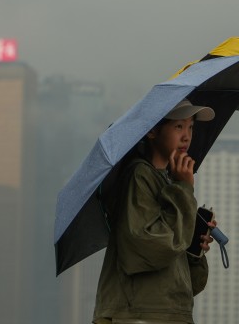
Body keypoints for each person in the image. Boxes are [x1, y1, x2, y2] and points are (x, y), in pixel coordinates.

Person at [93, 99, 219, 324]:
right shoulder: (139, 176)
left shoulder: (171, 183)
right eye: (178, 126)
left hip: (167, 313)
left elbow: (192, 284)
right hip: (138, 314)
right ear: (152, 130)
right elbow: (150, 247)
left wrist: (194, 247)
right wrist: (184, 189)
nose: (186, 136)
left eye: (191, 127)